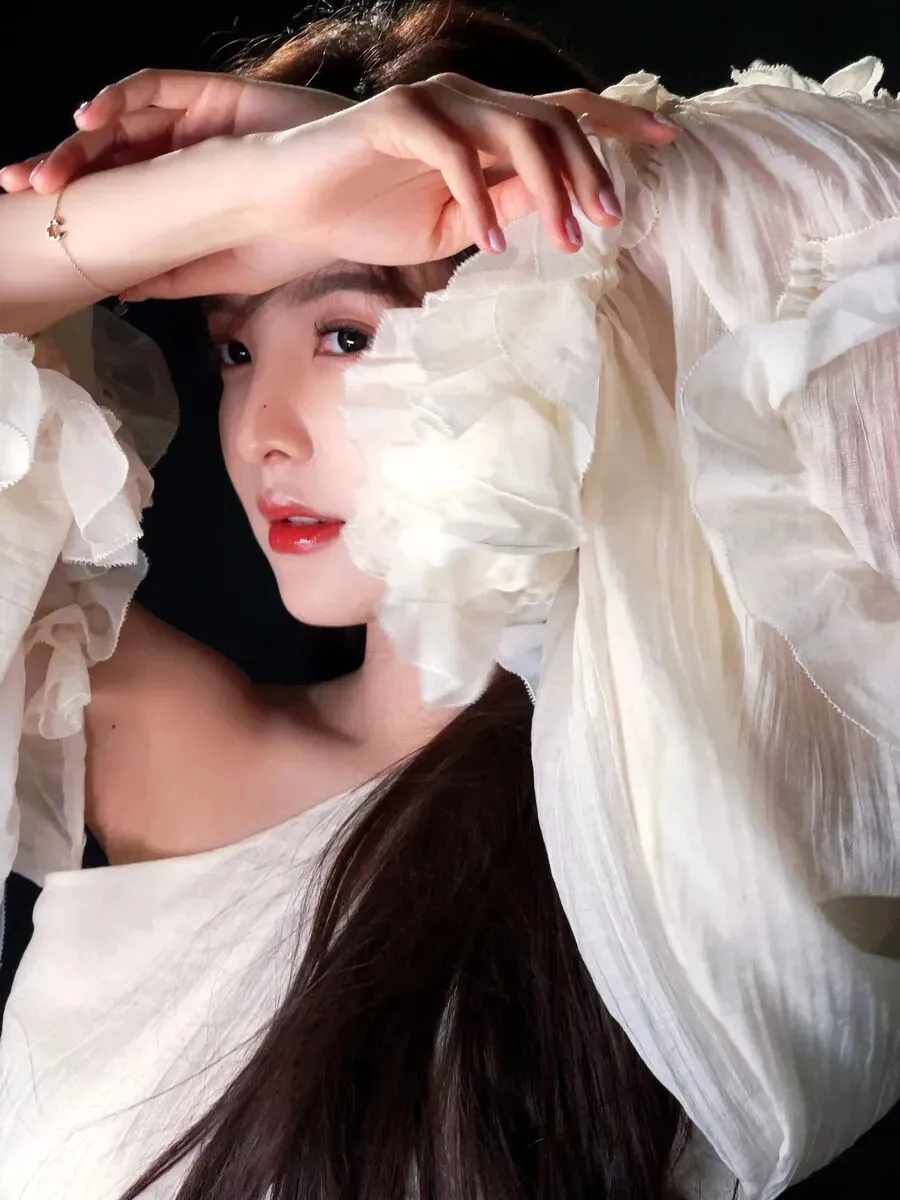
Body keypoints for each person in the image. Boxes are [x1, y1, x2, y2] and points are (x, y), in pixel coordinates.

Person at [0, 2, 899, 1198]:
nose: (263, 432)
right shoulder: (151, 745)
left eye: (344, 336)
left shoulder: (699, 806)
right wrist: (264, 184)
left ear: (543, 321)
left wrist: (521, 200)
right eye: (235, 352)